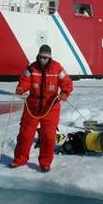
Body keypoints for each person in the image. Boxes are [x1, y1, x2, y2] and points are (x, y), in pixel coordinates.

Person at [10, 44, 73, 172]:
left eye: (45, 57)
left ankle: (45, 162)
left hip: (51, 107)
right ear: (38, 56)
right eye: (41, 57)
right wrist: (21, 88)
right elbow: (25, 81)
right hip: (32, 106)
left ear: (49, 57)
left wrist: (65, 92)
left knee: (48, 137)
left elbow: (67, 82)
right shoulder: (31, 68)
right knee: (25, 134)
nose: (43, 60)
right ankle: (20, 159)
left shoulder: (57, 69)